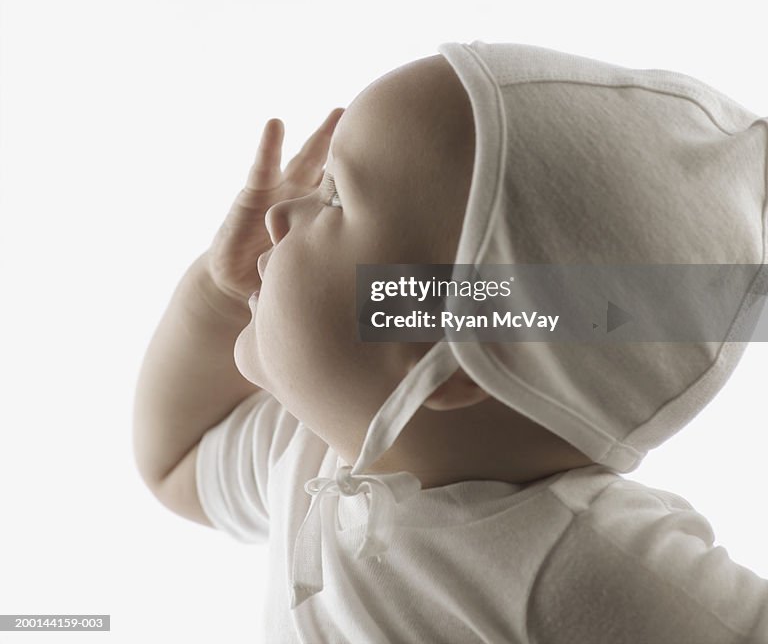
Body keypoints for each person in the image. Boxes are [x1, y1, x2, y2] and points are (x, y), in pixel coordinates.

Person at [133, 40, 768, 643]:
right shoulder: (311, 455)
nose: (280, 214)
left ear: (461, 359)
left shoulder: (578, 567)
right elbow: (172, 464)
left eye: (333, 197)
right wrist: (213, 297)